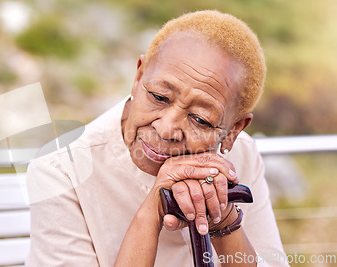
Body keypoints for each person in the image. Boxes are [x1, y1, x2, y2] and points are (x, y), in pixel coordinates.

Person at [25, 10, 287, 266]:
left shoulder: (242, 155)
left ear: (233, 131)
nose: (166, 129)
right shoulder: (60, 171)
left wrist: (224, 221)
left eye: (200, 119)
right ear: (139, 76)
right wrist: (150, 214)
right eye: (159, 97)